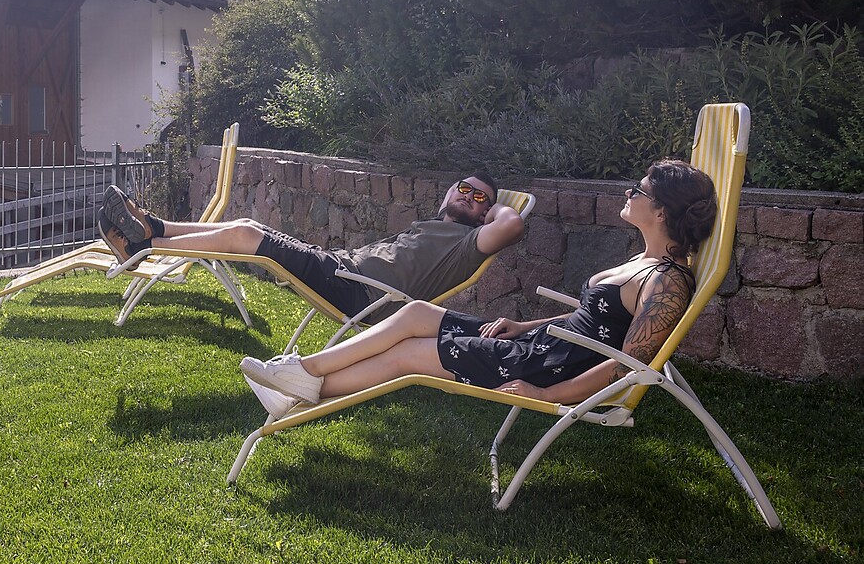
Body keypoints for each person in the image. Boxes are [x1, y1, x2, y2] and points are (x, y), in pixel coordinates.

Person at [240, 159, 716, 412]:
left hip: (545, 367)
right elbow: (591, 320)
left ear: (661, 212)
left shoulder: (666, 282)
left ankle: (299, 385)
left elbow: (628, 366)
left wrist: (547, 395)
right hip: (538, 343)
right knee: (415, 314)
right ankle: (302, 374)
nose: (629, 192)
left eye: (640, 190)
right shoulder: (644, 261)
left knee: (408, 356)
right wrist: (523, 325)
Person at [96, 170, 525, 322]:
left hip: (359, 293)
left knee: (247, 239)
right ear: (450, 191)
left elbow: (513, 226)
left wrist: (497, 210)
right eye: (465, 189)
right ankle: (156, 227)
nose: (470, 198)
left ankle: (145, 246)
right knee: (247, 224)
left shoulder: (469, 242)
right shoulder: (432, 226)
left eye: (481, 199)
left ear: (485, 213)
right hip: (341, 268)